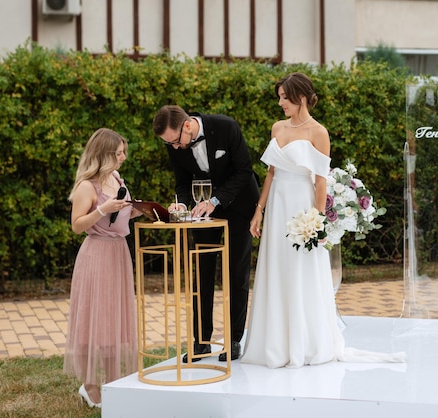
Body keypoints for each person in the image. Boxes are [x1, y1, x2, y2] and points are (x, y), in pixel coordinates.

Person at [241, 72, 405, 368]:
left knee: (301, 269)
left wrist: (315, 221)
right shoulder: (277, 127)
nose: (280, 103)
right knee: (276, 266)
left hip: (301, 206)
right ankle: (275, 343)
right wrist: (259, 209)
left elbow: (320, 183)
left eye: (284, 98)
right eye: (279, 97)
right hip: (277, 203)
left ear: (301, 97)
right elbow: (271, 173)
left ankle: (306, 343)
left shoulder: (319, 132)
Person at [153, 105, 260, 363]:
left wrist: (215, 200)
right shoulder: (174, 142)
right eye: (169, 144)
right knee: (201, 272)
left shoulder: (226, 127)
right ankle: (201, 342)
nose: (175, 147)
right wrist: (180, 202)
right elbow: (182, 181)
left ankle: (233, 340)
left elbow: (244, 171)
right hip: (203, 212)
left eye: (176, 141)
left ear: (187, 125)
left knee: (236, 271)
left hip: (239, 205)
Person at [63, 128, 142, 408]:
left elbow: (121, 213)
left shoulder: (117, 178)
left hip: (119, 253)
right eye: (118, 153)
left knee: (112, 321)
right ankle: (89, 385)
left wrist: (139, 210)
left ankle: (113, 383)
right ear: (104, 154)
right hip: (96, 254)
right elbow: (76, 225)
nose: (123, 158)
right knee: (91, 321)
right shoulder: (87, 185)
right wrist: (102, 210)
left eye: (123, 152)